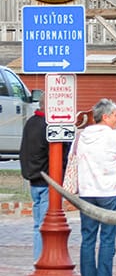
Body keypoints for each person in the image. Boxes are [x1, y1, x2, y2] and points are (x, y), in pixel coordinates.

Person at [74, 98, 116, 276]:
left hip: (87, 191)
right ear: (105, 117)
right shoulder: (114, 137)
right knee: (107, 238)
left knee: (87, 238)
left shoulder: (82, 135)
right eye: (115, 115)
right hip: (109, 191)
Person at [19, 97, 69, 263]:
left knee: (38, 224)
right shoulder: (48, 126)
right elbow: (60, 154)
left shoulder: (31, 123)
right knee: (45, 223)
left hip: (34, 179)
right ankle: (44, 259)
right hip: (48, 181)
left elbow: (25, 150)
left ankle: (38, 257)